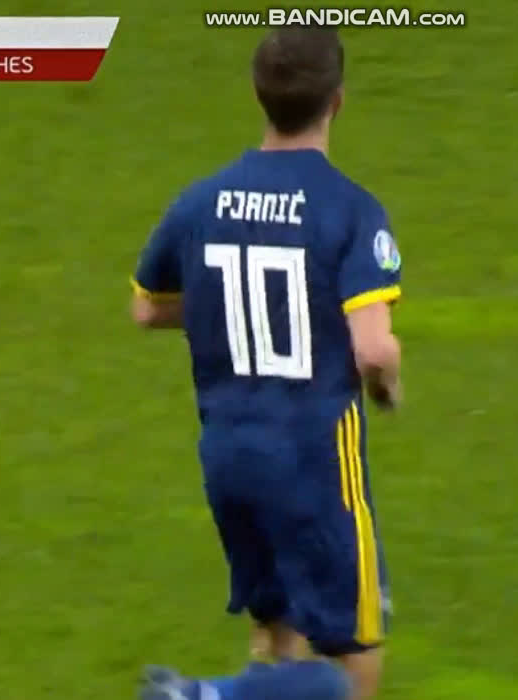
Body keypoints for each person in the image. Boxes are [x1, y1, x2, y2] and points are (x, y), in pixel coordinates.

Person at [130, 26, 402, 700]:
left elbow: (146, 307)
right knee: (351, 654)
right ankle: (206, 696)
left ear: (260, 97)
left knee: (277, 634)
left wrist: (223, 310)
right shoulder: (351, 210)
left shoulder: (200, 201)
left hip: (230, 455)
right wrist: (386, 387)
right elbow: (373, 347)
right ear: (337, 101)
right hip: (313, 461)